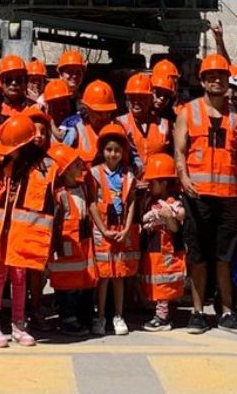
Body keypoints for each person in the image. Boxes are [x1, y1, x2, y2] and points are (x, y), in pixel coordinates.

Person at [173, 54, 237, 334]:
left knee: (224, 257)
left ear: (228, 81)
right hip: (198, 197)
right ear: (203, 80)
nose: (216, 80)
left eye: (221, 76)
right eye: (211, 76)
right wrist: (184, 177)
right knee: (198, 257)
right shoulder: (188, 113)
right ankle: (197, 312)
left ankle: (228, 312)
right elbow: (179, 152)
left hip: (228, 198)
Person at [0, 114, 55, 347]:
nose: (9, 151)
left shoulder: (45, 167)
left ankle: (18, 324)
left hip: (22, 236)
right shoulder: (6, 165)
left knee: (19, 277)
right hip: (1, 232)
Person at [89, 124, 139, 336]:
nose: (113, 154)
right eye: (109, 150)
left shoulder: (128, 175)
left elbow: (132, 202)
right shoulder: (94, 173)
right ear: (102, 151)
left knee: (119, 275)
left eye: (117, 150)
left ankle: (118, 315)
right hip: (102, 231)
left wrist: (127, 228)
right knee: (103, 276)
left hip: (120, 230)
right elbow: (92, 203)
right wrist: (102, 229)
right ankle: (100, 316)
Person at [46, 143, 95, 336]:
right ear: (65, 171)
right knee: (66, 288)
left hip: (80, 248)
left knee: (79, 286)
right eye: (75, 164)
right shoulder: (60, 195)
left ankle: (80, 317)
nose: (80, 165)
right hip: (65, 251)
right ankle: (67, 320)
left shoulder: (82, 188)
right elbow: (55, 225)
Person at [138, 153, 185, 332]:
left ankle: (162, 317)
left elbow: (175, 228)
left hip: (166, 250)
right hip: (153, 247)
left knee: (163, 284)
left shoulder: (173, 203)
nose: (150, 185)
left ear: (164, 183)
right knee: (155, 282)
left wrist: (168, 216)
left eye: (153, 182)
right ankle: (158, 311)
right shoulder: (150, 200)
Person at [117, 73, 169, 174]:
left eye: (141, 97)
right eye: (132, 97)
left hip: (156, 185)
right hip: (130, 185)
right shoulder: (119, 123)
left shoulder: (165, 124)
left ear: (150, 99)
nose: (136, 101)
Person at [74, 81, 118, 164]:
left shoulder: (118, 130)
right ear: (86, 109)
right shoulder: (76, 131)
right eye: (98, 113)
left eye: (108, 112)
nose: (104, 117)